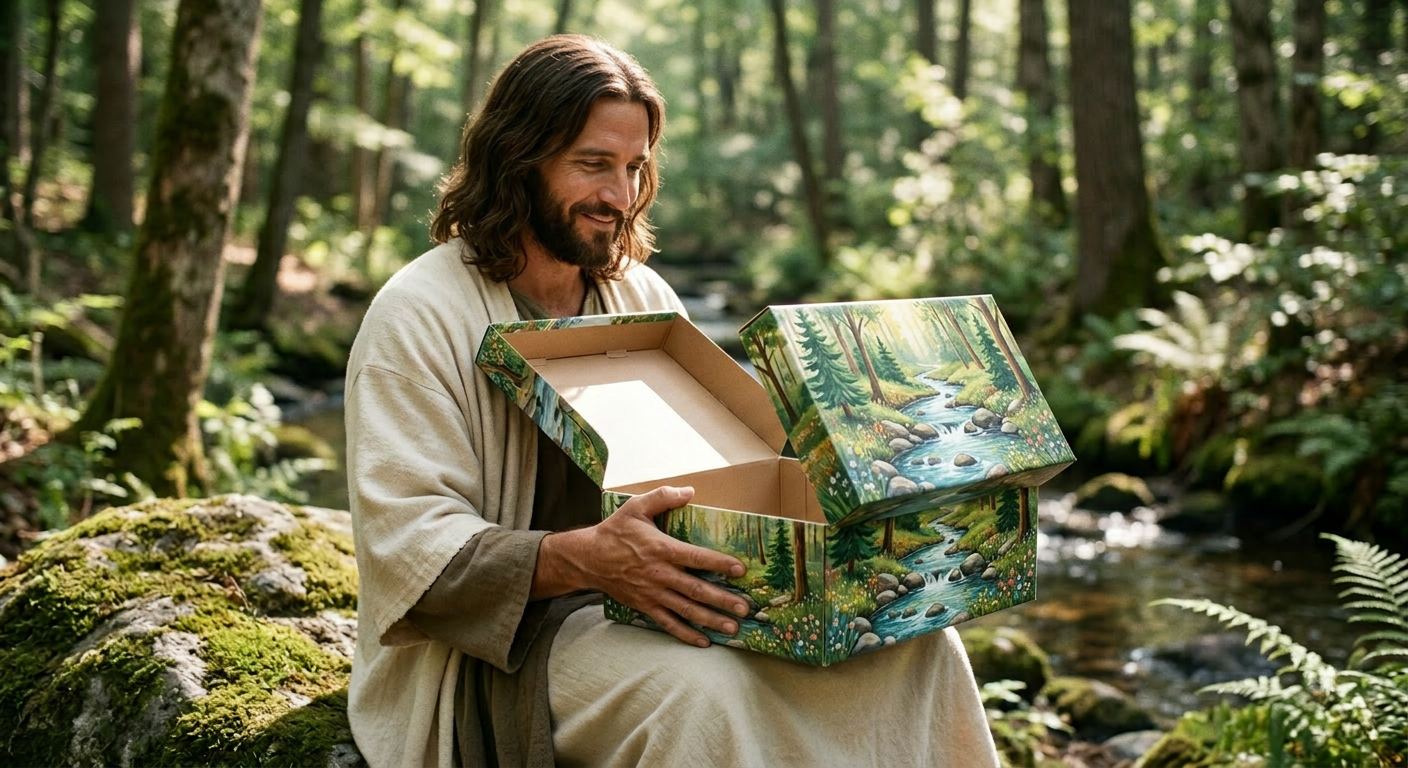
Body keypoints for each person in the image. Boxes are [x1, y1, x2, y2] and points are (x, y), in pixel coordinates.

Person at [345, 34, 1000, 768]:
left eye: (634, 167)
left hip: (667, 598)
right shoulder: (419, 314)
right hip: (500, 653)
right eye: (592, 164)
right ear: (515, 159)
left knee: (915, 644)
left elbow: (722, 472)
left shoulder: (642, 296)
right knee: (707, 692)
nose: (620, 196)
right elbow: (410, 557)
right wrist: (588, 561)